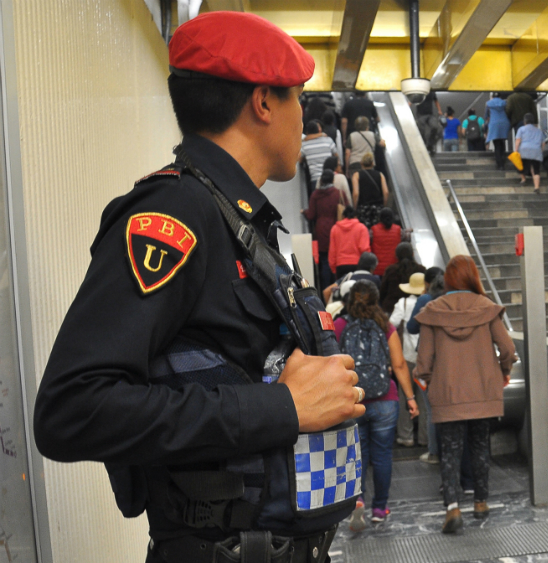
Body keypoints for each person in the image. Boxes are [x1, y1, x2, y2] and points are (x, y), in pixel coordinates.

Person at [32, 12, 366, 563]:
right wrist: (279, 406)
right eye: (297, 99)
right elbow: (72, 409)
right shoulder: (175, 216)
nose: (300, 116)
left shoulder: (237, 222)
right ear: (263, 102)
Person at [413, 256, 517, 533]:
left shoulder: (433, 311)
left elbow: (423, 362)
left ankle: (452, 509)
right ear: (473, 277)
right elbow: (507, 349)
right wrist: (503, 371)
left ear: (448, 279)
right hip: (483, 392)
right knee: (481, 447)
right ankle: (481, 502)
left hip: (446, 394)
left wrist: (433, 381)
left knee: (450, 451)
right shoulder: (487, 309)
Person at [335, 280, 418, 532]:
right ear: (376, 300)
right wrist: (411, 398)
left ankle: (358, 499)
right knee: (382, 456)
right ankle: (380, 509)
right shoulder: (386, 326)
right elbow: (400, 364)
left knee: (357, 455)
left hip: (353, 400)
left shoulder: (339, 325)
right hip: (385, 400)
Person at [406, 266, 445, 463]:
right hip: (449, 358)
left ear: (427, 283)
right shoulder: (450, 299)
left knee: (431, 409)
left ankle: (434, 452)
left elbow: (411, 327)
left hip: (428, 359)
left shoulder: (425, 299)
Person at [390, 272, 424, 450]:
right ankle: (426, 438)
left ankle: (406, 436)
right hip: (426, 357)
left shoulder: (403, 303)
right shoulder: (430, 301)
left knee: (405, 397)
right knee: (425, 399)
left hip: (407, 357)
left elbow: (391, 324)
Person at [302, 168, 344, 288]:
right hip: (336, 227)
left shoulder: (315, 195)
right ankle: (337, 288)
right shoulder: (338, 193)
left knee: (325, 261)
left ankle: (325, 289)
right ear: (332, 180)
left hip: (321, 230)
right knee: (336, 259)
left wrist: (304, 212)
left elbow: (311, 215)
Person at [379, 242, 426, 314]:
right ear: (413, 254)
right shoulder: (421, 270)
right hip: (416, 308)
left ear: (396, 256)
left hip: (391, 307)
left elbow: (383, 290)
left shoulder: (390, 270)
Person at [329, 206, 370, 279]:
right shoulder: (362, 228)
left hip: (340, 265)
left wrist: (333, 268)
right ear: (355, 216)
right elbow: (364, 249)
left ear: (343, 216)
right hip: (357, 265)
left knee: (342, 289)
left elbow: (332, 251)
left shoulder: (335, 229)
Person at [352, 152, 389, 228]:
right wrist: (383, 206)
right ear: (372, 163)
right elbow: (386, 192)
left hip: (363, 208)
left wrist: (355, 208)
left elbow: (356, 193)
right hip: (377, 207)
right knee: (377, 230)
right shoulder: (380, 175)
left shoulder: (356, 175)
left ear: (361, 163)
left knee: (364, 231)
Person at [301, 119, 335, 193]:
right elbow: (336, 155)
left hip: (315, 180)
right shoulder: (328, 140)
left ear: (307, 132)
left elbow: (299, 160)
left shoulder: (304, 145)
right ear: (318, 130)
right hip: (331, 177)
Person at [514, 113, 545, 193]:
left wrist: (516, 150)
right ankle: (536, 187)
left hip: (524, 150)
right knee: (536, 170)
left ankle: (523, 179)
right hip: (536, 151)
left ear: (525, 121)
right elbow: (543, 143)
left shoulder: (521, 129)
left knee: (520, 165)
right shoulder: (539, 131)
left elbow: (518, 140)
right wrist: (540, 151)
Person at [370, 208, 402, 277]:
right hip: (393, 269)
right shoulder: (398, 229)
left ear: (380, 218)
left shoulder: (374, 229)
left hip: (377, 269)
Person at [485, 93, 510, 170]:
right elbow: (508, 112)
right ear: (500, 96)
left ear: (492, 97)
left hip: (494, 123)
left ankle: (500, 164)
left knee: (497, 144)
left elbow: (486, 115)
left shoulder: (488, 103)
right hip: (504, 123)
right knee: (502, 142)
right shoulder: (504, 103)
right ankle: (503, 160)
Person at [415, 90, 443, 154]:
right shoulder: (419, 90)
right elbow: (413, 99)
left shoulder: (432, 91)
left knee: (435, 127)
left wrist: (439, 110)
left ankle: (430, 145)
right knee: (421, 130)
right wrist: (409, 104)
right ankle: (423, 145)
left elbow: (436, 101)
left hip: (430, 115)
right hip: (420, 115)